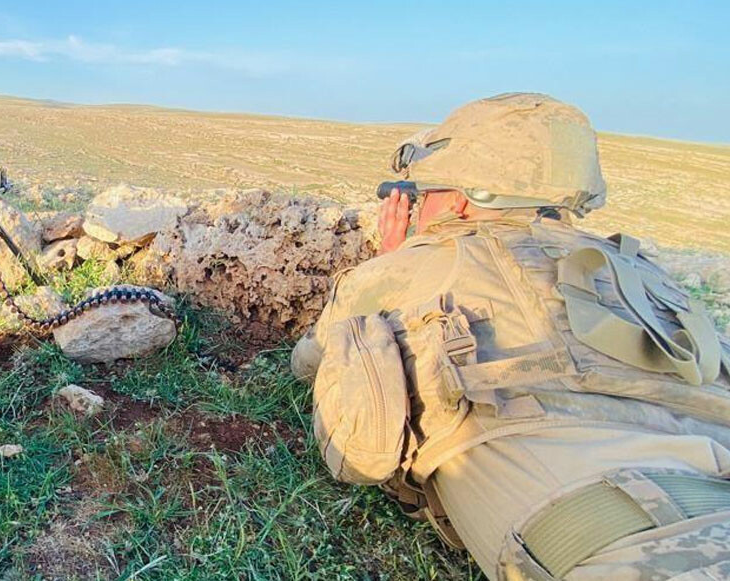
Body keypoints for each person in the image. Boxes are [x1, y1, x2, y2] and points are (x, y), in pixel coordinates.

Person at [292, 93, 730, 580]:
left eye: (424, 192)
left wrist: (390, 267)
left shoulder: (417, 264)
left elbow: (307, 362)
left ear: (458, 197)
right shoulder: (639, 270)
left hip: (630, 539)